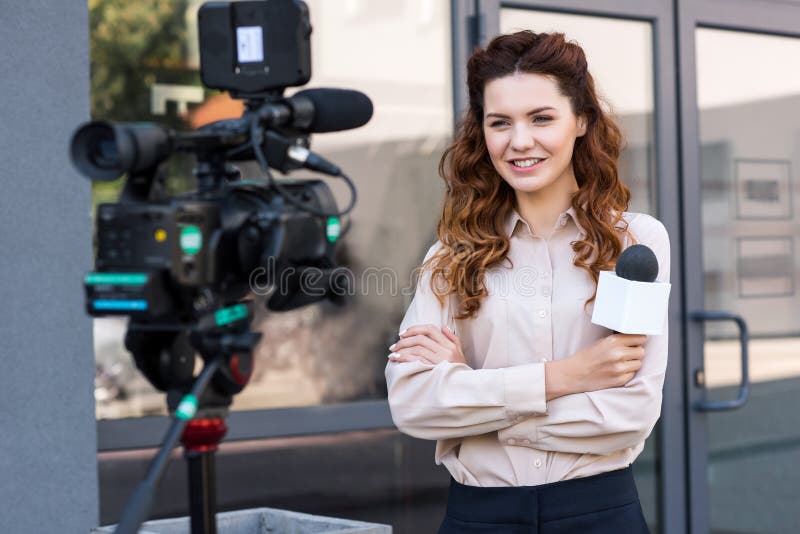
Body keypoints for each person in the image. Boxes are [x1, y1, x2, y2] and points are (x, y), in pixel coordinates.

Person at [385, 30, 669, 534]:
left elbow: (630, 412)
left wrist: (474, 397)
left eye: (541, 118)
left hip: (600, 512)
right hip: (478, 516)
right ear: (483, 133)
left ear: (581, 120)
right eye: (501, 123)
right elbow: (412, 405)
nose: (520, 141)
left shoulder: (634, 245)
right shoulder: (450, 257)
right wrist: (569, 376)